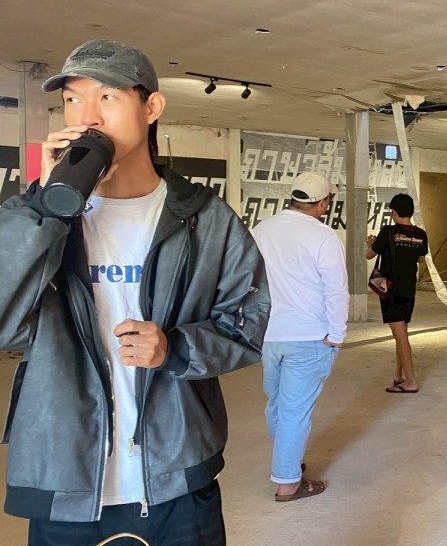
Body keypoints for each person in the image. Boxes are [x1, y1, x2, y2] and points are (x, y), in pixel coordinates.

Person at [0, 40, 270, 545]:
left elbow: (247, 322)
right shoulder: (34, 218)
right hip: (63, 478)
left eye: (107, 97)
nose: (87, 116)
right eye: (73, 99)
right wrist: (46, 206)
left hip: (176, 473)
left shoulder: (206, 218)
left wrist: (175, 348)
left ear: (151, 107)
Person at [252, 171, 348, 503]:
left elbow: (249, 282)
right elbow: (336, 290)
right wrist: (337, 334)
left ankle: (288, 460)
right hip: (309, 337)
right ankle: (288, 483)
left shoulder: (261, 230)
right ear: (322, 203)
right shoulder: (324, 237)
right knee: (295, 411)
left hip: (270, 336)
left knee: (278, 404)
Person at [366, 193, 429, 393]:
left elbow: (369, 255)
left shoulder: (388, 232)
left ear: (394, 212)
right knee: (401, 333)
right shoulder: (420, 234)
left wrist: (370, 242)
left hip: (391, 290)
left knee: (401, 336)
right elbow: (421, 259)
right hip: (409, 288)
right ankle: (398, 375)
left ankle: (410, 381)